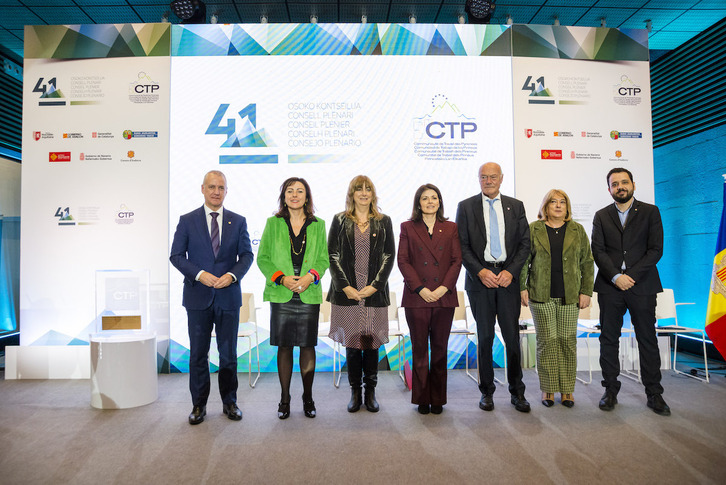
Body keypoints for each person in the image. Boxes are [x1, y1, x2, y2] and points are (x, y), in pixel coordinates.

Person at [170, 170, 254, 425]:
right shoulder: (187, 221)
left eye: (221, 187)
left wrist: (232, 275)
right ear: (203, 189)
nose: (216, 191)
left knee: (228, 355)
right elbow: (176, 256)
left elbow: (247, 256)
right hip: (198, 298)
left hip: (228, 297)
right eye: (212, 187)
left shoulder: (238, 221)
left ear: (226, 191)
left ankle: (230, 402)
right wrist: (199, 274)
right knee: (198, 354)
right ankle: (198, 405)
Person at [591, 168, 669, 415]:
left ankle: (654, 393)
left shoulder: (650, 212)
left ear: (633, 184)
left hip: (642, 284)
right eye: (615, 184)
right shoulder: (601, 216)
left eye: (624, 182)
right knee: (609, 339)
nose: (620, 187)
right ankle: (610, 390)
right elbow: (598, 251)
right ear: (609, 189)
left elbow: (656, 250)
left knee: (647, 338)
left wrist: (631, 276)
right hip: (610, 286)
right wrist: (616, 276)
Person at [456, 162, 531, 413]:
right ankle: (486, 392)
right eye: (483, 177)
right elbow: (462, 246)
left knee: (511, 338)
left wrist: (511, 272)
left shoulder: (516, 206)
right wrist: (480, 271)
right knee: (485, 338)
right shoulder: (466, 207)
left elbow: (524, 245)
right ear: (479, 179)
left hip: (508, 279)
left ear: (501, 179)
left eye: (492, 177)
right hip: (480, 280)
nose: (488, 181)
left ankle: (517, 392)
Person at [257, 177, 329, 419]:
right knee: (285, 346)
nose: (295, 195)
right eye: (290, 191)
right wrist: (281, 278)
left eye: (300, 191)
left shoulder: (318, 224)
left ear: (307, 197)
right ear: (284, 196)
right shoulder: (273, 223)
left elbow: (323, 259)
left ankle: (308, 397)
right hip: (282, 292)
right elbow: (263, 258)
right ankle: (284, 398)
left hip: (308, 291)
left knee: (308, 346)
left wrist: (310, 277)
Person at [520, 189, 594, 408]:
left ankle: (568, 390)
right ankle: (548, 389)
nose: (559, 206)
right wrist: (522, 288)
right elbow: (524, 261)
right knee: (547, 342)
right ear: (546, 206)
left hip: (570, 295)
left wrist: (586, 291)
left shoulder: (577, 229)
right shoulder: (534, 228)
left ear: (567, 207)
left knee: (567, 342)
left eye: (563, 202)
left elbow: (587, 262)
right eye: (554, 202)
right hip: (540, 294)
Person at [328, 175, 395, 413]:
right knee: (353, 344)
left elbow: (389, 256)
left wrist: (374, 286)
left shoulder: (384, 221)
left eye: (368, 189)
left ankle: (371, 392)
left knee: (371, 342)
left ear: (373, 194)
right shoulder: (339, 220)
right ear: (352, 194)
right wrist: (346, 286)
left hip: (373, 294)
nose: (364, 193)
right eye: (359, 189)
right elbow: (332, 255)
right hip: (347, 293)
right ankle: (355, 392)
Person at [398, 184, 462, 414]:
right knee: (419, 350)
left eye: (434, 197)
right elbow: (403, 261)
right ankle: (422, 399)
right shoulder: (407, 227)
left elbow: (457, 261)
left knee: (440, 349)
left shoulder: (451, 227)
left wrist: (444, 287)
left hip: (444, 298)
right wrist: (421, 289)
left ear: (440, 201)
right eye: (425, 198)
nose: (430, 202)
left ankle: (438, 400)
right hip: (417, 298)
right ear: (418, 203)